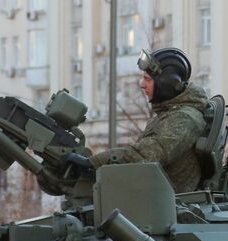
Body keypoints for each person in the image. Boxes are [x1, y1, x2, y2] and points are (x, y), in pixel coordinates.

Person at [87, 47, 209, 193]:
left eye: (147, 79)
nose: (141, 84)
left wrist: (93, 163)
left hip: (160, 202)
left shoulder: (185, 119)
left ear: (167, 84)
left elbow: (146, 155)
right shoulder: (171, 114)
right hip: (151, 194)